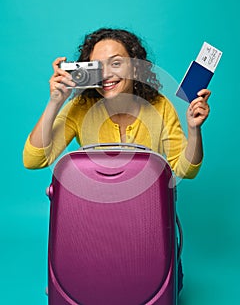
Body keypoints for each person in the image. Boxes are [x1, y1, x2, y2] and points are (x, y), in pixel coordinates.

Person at [23, 28, 211, 292]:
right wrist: (55, 102)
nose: (107, 75)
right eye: (98, 67)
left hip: (147, 226)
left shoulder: (160, 106)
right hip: (95, 226)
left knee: (160, 289)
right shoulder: (80, 108)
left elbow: (185, 170)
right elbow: (34, 159)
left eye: (116, 63)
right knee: (94, 288)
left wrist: (194, 130)